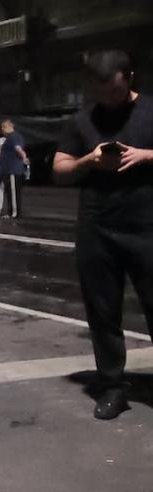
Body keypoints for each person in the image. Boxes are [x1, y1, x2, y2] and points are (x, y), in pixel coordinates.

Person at [53, 50, 153, 420]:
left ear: (129, 78)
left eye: (113, 91)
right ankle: (112, 386)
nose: (107, 100)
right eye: (99, 92)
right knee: (103, 312)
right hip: (98, 228)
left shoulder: (150, 110)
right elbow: (60, 169)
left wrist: (145, 156)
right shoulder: (82, 120)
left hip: (147, 225)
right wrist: (89, 161)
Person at [0, 118, 30, 217]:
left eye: (3, 128)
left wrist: (24, 158)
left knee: (13, 192)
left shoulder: (13, 136)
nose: (2, 130)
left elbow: (18, 148)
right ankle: (12, 211)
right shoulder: (11, 137)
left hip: (13, 169)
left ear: (8, 127)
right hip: (8, 169)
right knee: (11, 192)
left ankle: (14, 213)